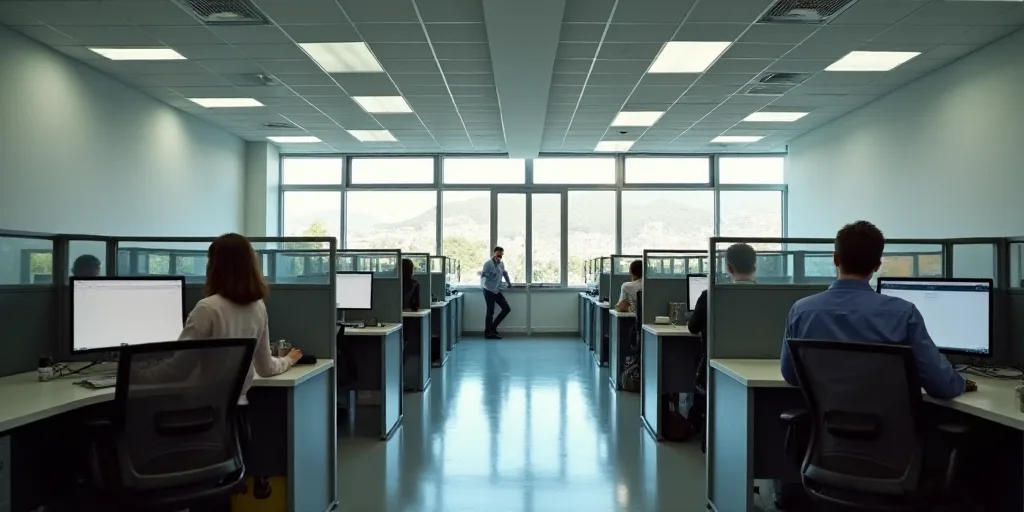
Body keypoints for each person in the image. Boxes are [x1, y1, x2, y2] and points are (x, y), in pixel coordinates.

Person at [779, 221, 975, 399]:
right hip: (890, 433)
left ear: (836, 259)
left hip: (827, 432)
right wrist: (962, 383)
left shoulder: (801, 311)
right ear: (877, 265)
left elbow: (791, 375)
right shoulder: (903, 314)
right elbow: (940, 385)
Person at [178, 233, 303, 404]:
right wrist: (288, 359)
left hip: (200, 411)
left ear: (215, 266)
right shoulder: (258, 306)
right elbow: (266, 368)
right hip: (237, 415)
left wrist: (133, 368)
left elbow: (178, 369)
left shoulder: (207, 309)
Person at [687, 243, 758, 336]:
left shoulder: (709, 296)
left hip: (717, 351)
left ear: (729, 268)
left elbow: (693, 328)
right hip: (760, 350)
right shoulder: (769, 297)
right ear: (754, 267)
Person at [480, 246, 512, 339]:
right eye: (498, 255)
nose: (500, 257)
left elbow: (504, 273)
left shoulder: (501, 264)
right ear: (494, 253)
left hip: (496, 290)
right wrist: (489, 275)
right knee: (490, 311)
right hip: (488, 290)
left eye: (501, 255)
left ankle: (492, 328)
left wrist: (509, 284)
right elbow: (482, 275)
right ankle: (488, 333)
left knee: (506, 309)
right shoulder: (488, 264)